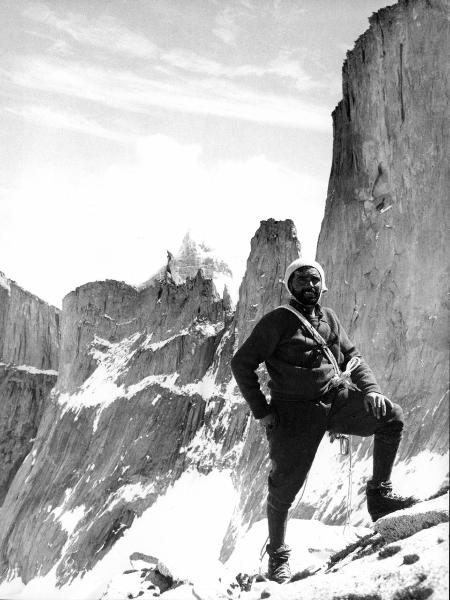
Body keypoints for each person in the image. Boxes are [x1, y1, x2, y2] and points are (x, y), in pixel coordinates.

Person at [230, 258, 415, 584]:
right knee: (284, 487)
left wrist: (371, 390)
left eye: (314, 279)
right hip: (293, 413)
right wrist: (263, 411)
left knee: (391, 418)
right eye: (300, 280)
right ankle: (277, 556)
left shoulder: (329, 318)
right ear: (290, 286)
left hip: (336, 400)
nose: (308, 285)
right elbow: (242, 363)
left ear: (323, 284)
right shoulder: (277, 322)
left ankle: (379, 496)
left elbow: (353, 357)